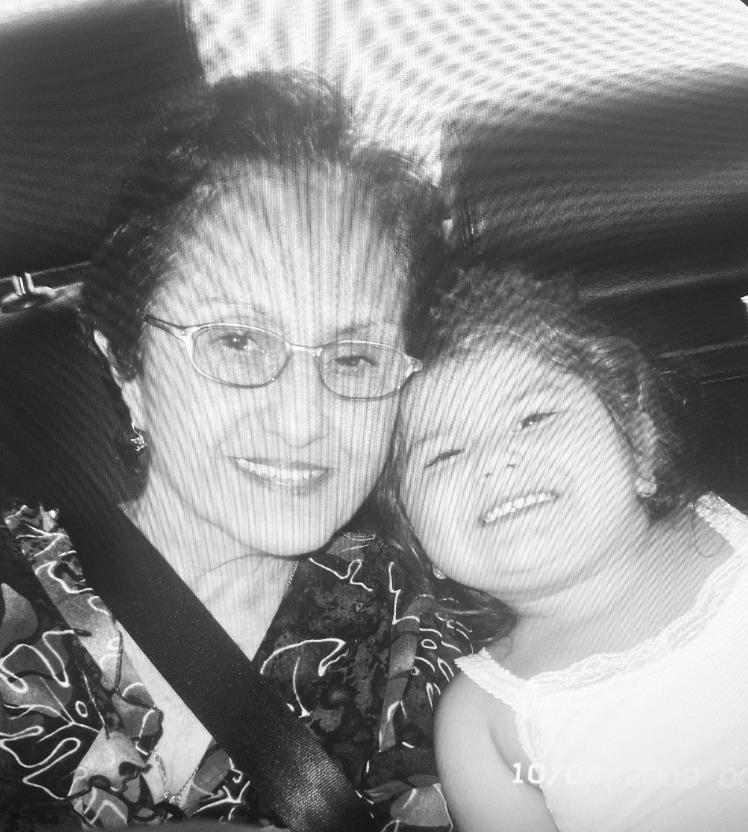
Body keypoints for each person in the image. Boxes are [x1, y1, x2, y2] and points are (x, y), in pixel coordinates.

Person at [0, 72, 470, 830]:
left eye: (353, 358)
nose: (300, 422)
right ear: (124, 361)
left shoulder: (434, 642)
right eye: (237, 340)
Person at [393, 265, 748, 831]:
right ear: (424, 543)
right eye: (442, 455)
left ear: (640, 445)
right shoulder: (483, 720)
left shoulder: (745, 514)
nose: (494, 459)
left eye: (533, 417)